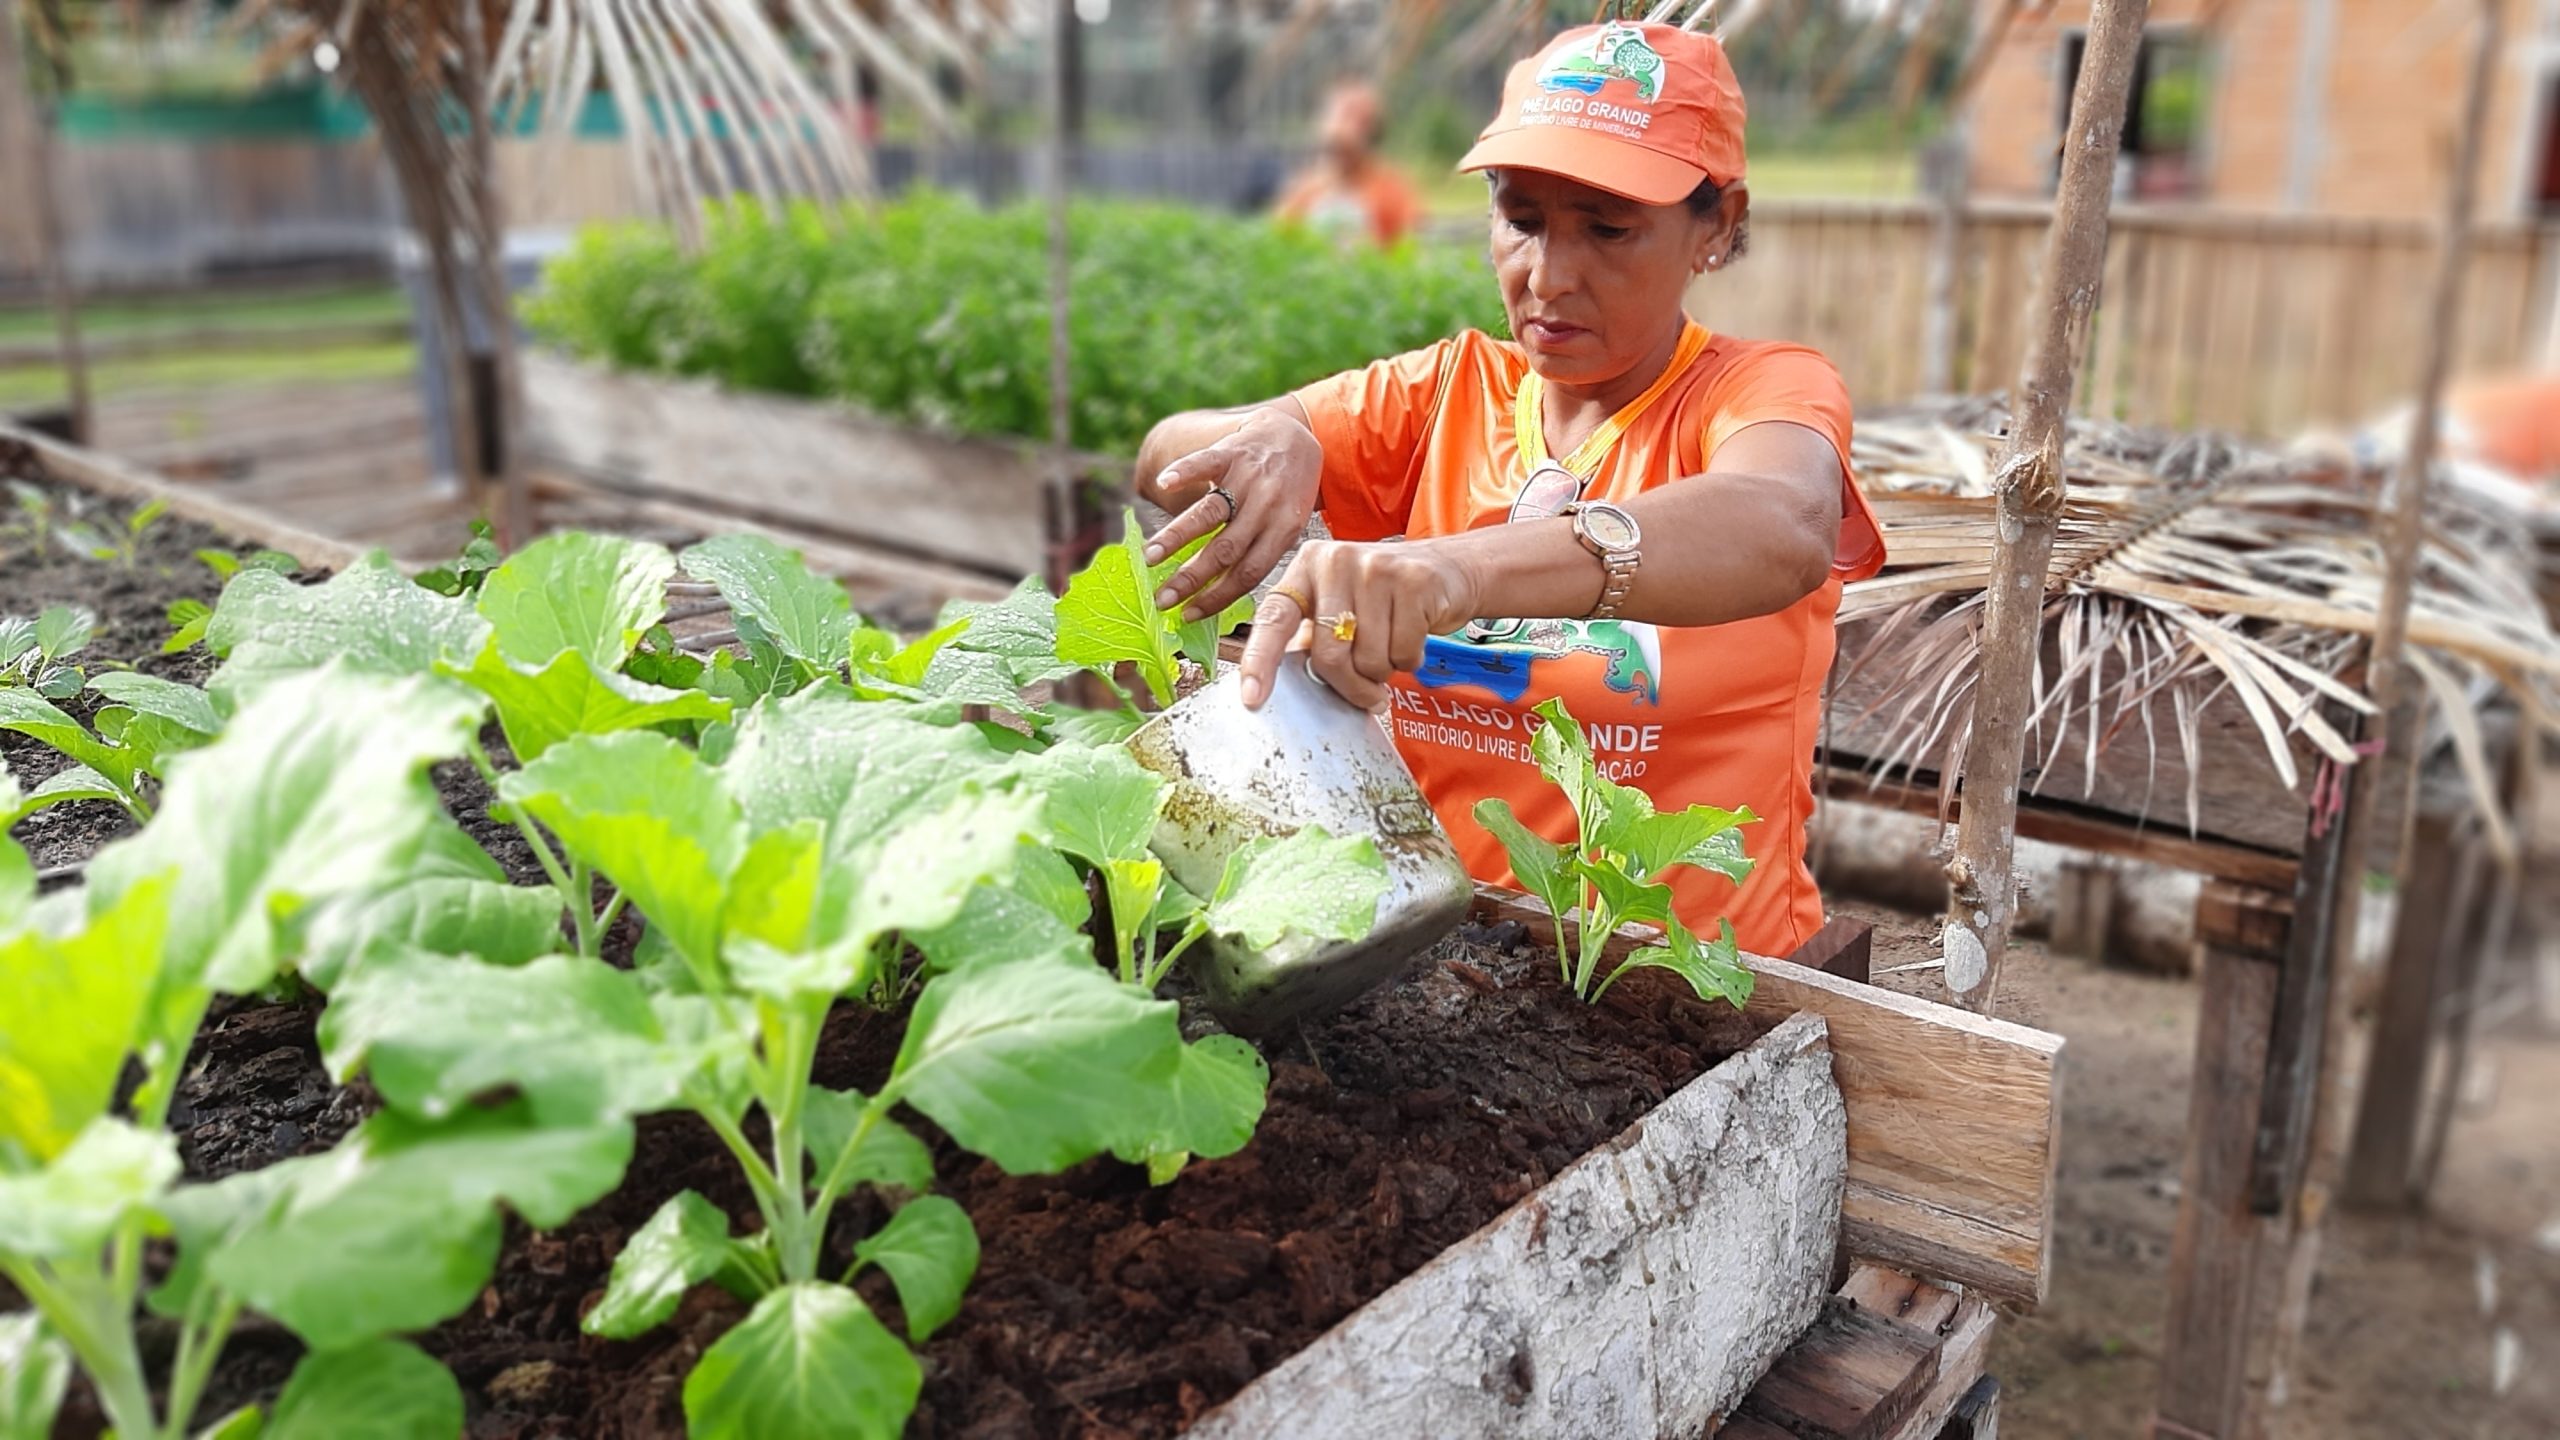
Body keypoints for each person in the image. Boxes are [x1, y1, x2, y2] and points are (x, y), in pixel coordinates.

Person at [1134, 19, 1885, 959]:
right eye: (1522, 221)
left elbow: (1785, 523)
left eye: (1608, 229)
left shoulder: (1757, 391)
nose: (1548, 276)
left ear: (1718, 226)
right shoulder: (1446, 393)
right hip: (1447, 956)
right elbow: (1163, 452)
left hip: (1698, 980)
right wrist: (1273, 435)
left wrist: (1456, 570)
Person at [1272, 81, 1424, 249]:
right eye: (1333, 147)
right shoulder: (1306, 190)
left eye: (1347, 149)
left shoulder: (1392, 190)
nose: (1338, 158)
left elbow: (1411, 244)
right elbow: (1279, 240)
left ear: (1370, 140)